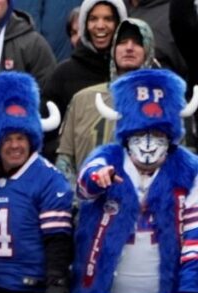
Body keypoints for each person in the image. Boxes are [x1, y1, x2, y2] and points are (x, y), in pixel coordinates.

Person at [73, 68, 198, 293]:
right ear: (127, 135)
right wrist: (97, 179)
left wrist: (191, 291)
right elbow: (84, 186)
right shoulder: (108, 157)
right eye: (140, 133)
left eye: (157, 133)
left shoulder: (190, 170)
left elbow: (196, 237)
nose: (148, 143)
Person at [0, 71, 73, 293]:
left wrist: (56, 283)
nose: (15, 146)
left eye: (21, 138)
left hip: (33, 288)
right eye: (7, 139)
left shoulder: (49, 178)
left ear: (32, 139)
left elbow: (57, 240)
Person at [55, 18, 156, 187]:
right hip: (88, 204)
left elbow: (179, 158)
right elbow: (65, 161)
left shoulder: (164, 102)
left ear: (149, 50)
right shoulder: (82, 99)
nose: (129, 48)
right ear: (113, 49)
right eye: (123, 42)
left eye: (137, 43)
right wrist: (76, 202)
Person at [42, 0, 126, 123]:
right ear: (84, 24)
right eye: (93, 19)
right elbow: (47, 132)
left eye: (108, 19)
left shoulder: (134, 69)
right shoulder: (63, 74)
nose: (100, 25)